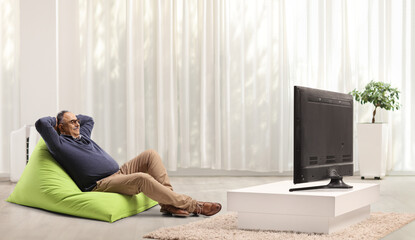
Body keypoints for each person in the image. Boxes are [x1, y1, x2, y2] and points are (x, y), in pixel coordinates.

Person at [35, 110, 221, 217]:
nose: (77, 124)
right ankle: (194, 205)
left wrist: (70, 117)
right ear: (60, 127)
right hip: (99, 184)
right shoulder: (59, 144)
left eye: (77, 121)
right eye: (72, 122)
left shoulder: (83, 135)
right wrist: (58, 118)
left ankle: (168, 203)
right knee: (142, 178)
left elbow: (89, 119)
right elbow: (42, 123)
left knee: (150, 154)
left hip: (119, 173)